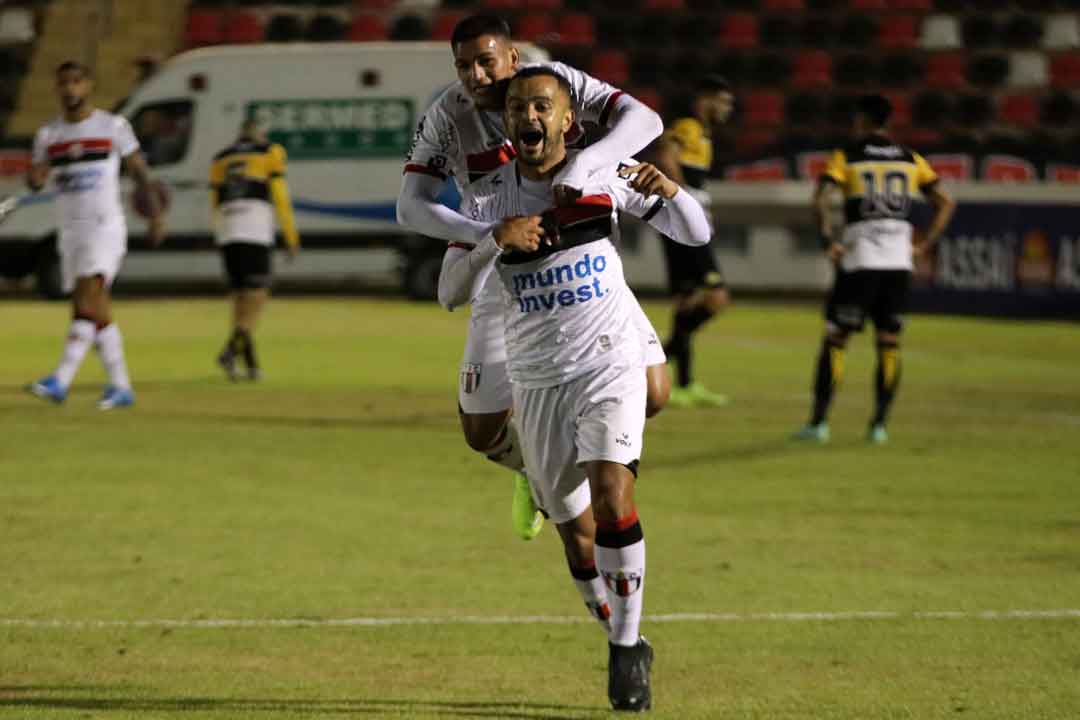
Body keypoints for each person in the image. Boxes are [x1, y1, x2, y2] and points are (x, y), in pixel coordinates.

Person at [442, 66, 711, 712]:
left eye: (542, 105)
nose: (529, 116)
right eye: (516, 108)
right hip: (537, 380)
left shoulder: (603, 174)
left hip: (607, 359)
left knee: (616, 492)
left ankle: (623, 649)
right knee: (576, 533)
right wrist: (492, 244)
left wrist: (670, 190)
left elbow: (696, 233)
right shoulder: (488, 199)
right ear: (506, 123)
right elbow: (450, 291)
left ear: (567, 120)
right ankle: (624, 630)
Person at [396, 14, 669, 542]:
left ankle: (584, 459)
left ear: (513, 58)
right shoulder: (449, 115)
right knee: (481, 432)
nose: (474, 76)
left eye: (485, 62)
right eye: (463, 66)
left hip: (583, 273)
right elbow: (411, 208)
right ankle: (533, 468)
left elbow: (646, 122)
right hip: (507, 278)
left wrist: (582, 167)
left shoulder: (559, 81)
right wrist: (489, 234)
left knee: (655, 393)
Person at [793, 94, 955, 444]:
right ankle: (879, 426)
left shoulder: (848, 156)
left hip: (861, 259)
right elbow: (945, 202)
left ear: (861, 120)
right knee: (889, 342)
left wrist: (828, 241)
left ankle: (819, 424)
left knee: (836, 338)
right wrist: (923, 244)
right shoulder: (911, 159)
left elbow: (820, 197)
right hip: (898, 263)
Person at [26, 61, 165, 410]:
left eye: (77, 82)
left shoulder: (112, 126)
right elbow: (36, 177)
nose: (70, 89)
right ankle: (121, 386)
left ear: (88, 85)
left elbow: (139, 173)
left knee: (90, 298)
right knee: (92, 310)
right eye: (64, 83)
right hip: (70, 229)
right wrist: (36, 177)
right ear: (56, 88)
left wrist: (155, 215)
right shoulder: (49, 135)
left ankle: (60, 380)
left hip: (104, 226)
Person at [652, 75, 734, 408]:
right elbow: (666, 156)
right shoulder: (688, 127)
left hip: (683, 222)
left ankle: (683, 383)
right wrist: (685, 200)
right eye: (723, 101)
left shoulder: (704, 136)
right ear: (706, 100)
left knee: (686, 302)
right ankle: (658, 359)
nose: (727, 109)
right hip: (683, 223)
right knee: (716, 297)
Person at [209, 120, 299, 381]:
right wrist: (291, 236)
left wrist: (218, 234)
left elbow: (214, 201)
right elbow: (280, 195)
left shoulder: (220, 159)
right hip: (254, 230)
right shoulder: (271, 152)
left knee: (239, 301)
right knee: (257, 298)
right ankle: (229, 351)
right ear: (260, 134)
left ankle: (250, 365)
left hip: (227, 232)